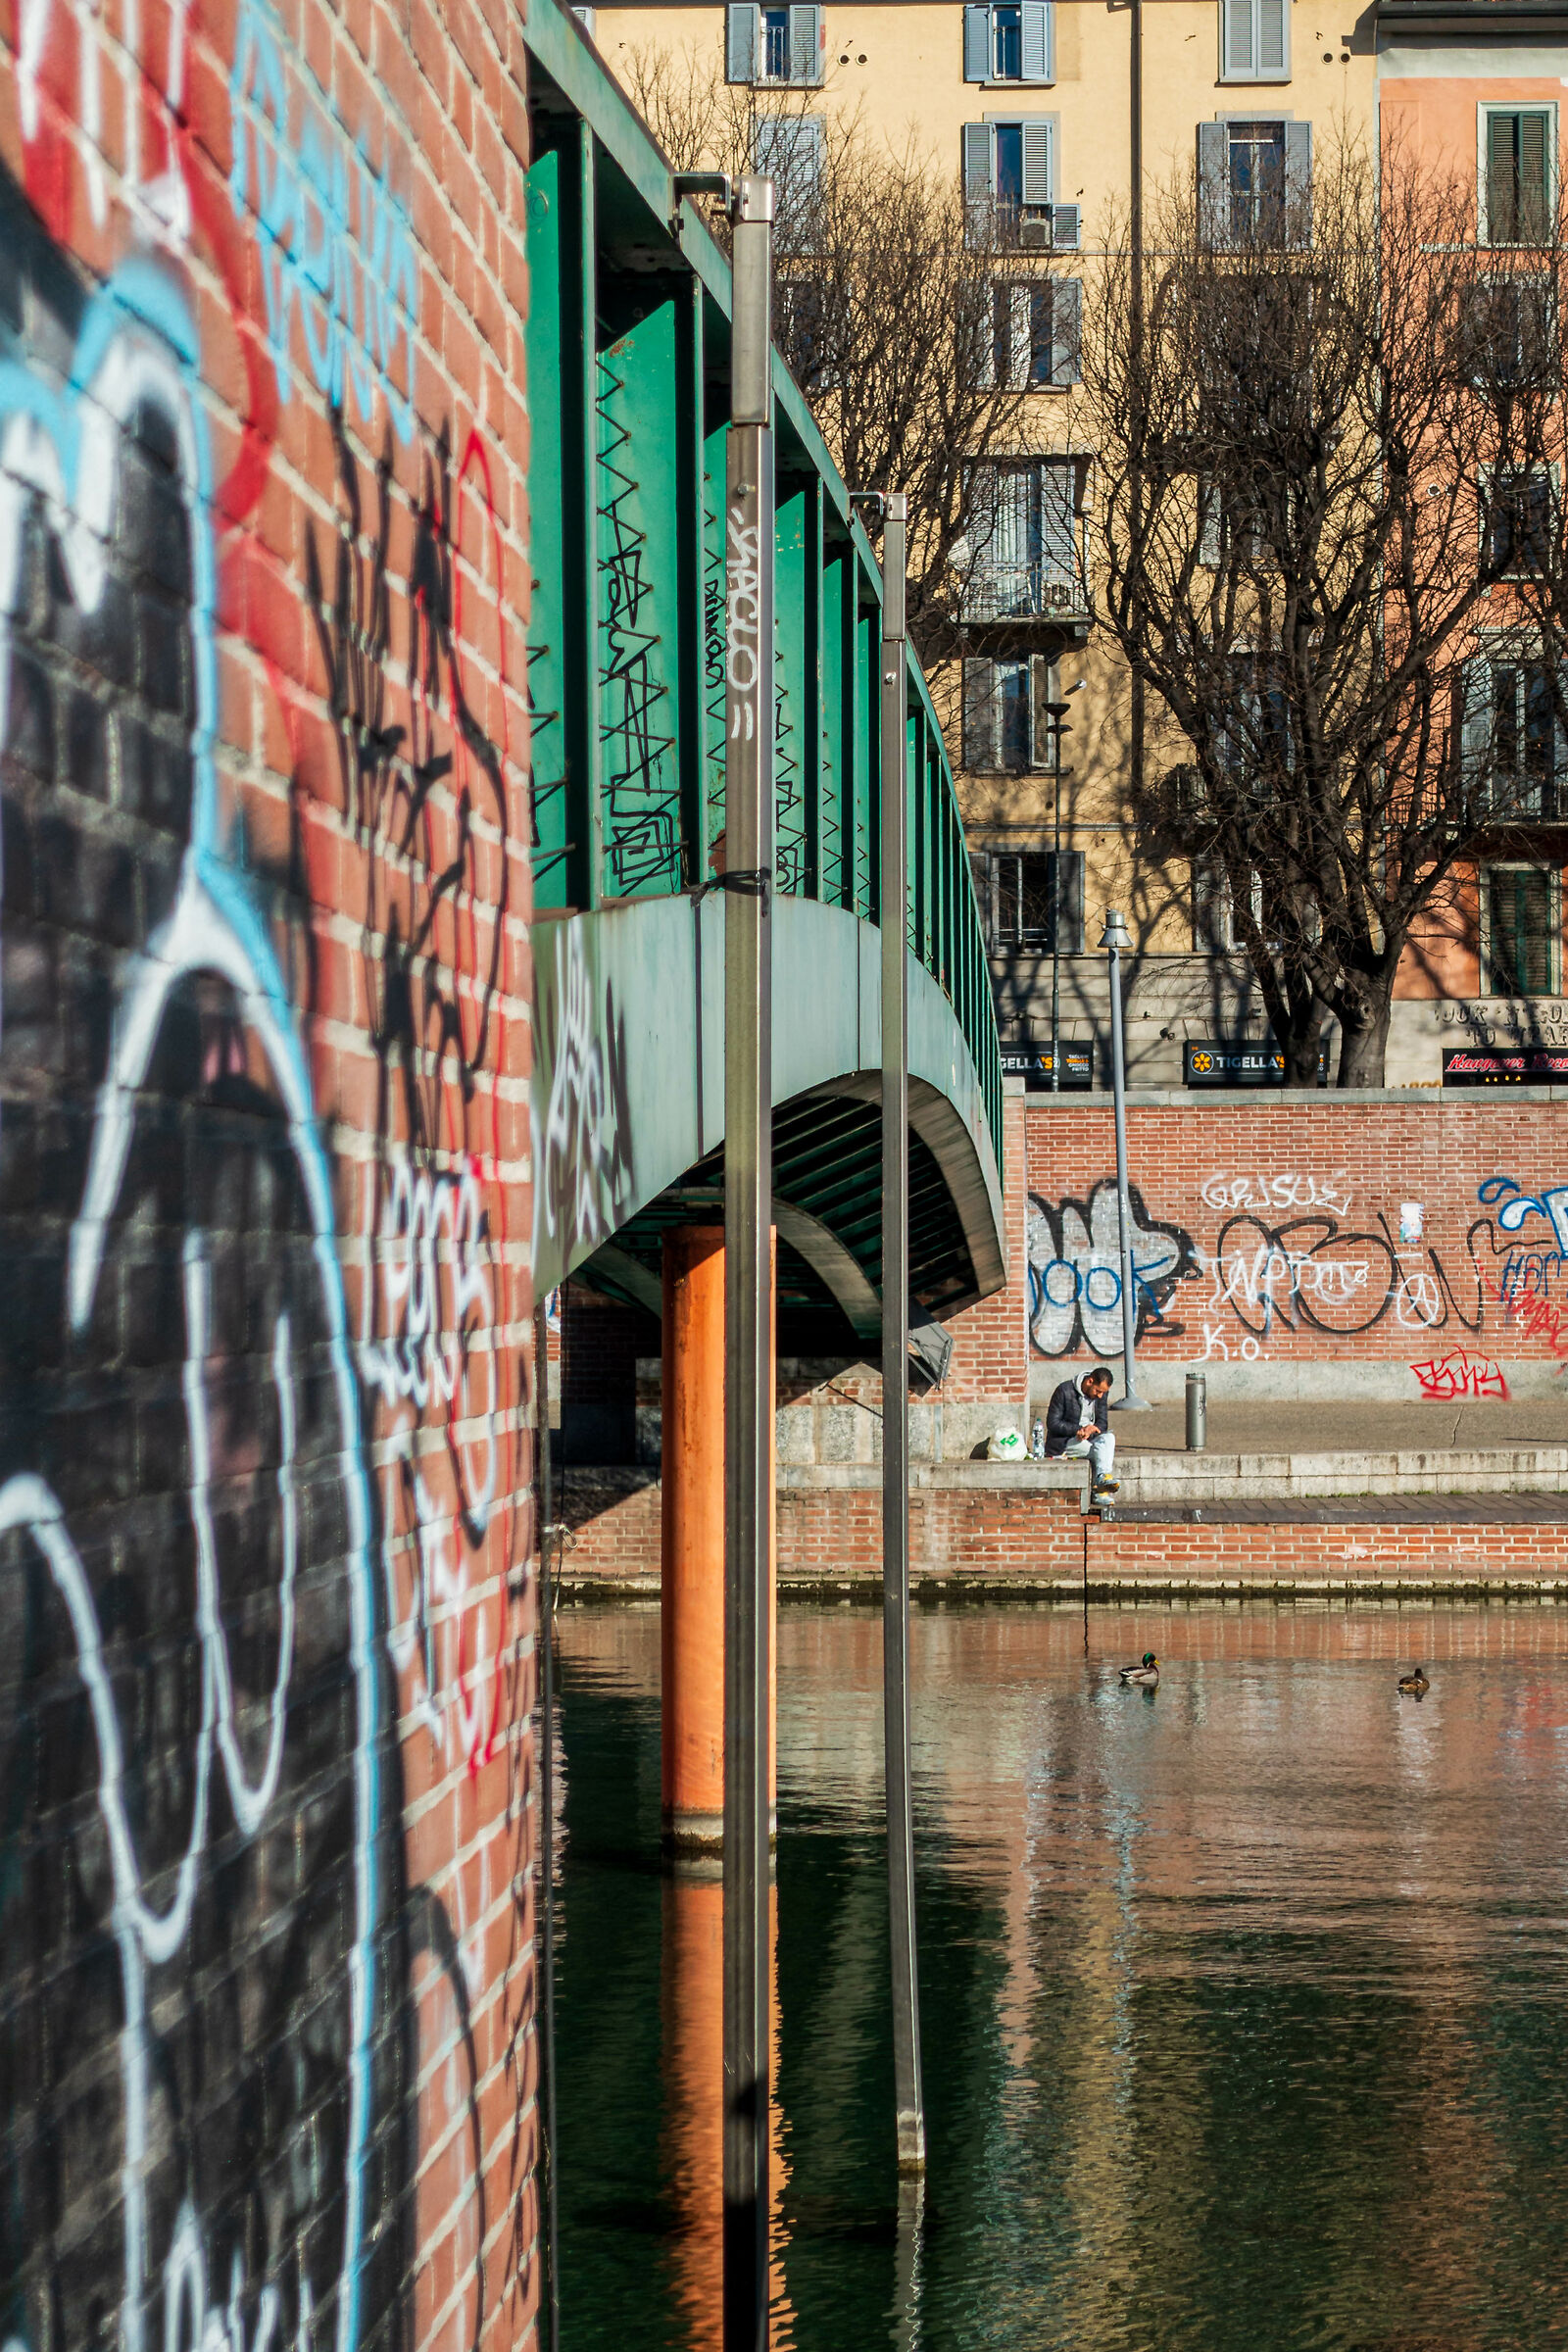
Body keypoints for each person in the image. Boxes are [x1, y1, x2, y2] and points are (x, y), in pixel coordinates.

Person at [1043, 1364, 1120, 1497]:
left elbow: (1103, 1422)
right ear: (1089, 1381)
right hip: (1065, 1442)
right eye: (1097, 1391)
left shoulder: (1101, 1395)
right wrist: (1077, 1430)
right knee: (1101, 1451)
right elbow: (1053, 1423)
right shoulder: (1064, 1391)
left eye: (1103, 1392)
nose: (1100, 1396)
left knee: (1109, 1438)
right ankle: (1100, 1493)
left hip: (1090, 1438)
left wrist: (1093, 1429)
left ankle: (1102, 1478)